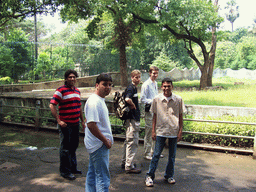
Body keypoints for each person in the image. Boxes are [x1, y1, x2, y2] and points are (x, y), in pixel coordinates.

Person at [145, 77, 184, 187]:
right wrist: (153, 131)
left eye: (169, 86)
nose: (166, 88)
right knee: (156, 154)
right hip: (160, 130)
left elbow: (181, 116)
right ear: (161, 87)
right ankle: (149, 176)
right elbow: (155, 116)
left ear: (172, 87)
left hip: (173, 131)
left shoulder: (178, 99)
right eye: (165, 86)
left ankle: (169, 175)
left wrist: (180, 131)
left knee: (172, 156)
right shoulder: (157, 99)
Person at [49, 69, 86, 180]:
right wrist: (59, 120)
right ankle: (65, 171)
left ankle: (73, 168)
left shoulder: (77, 91)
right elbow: (52, 105)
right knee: (65, 148)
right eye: (70, 77)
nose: (72, 79)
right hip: (65, 125)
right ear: (66, 79)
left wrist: (82, 121)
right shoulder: (60, 90)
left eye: (74, 77)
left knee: (73, 146)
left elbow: (79, 107)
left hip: (75, 124)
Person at [84, 73, 114, 191]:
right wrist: (105, 141)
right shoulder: (94, 101)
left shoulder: (99, 100)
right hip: (99, 145)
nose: (107, 87)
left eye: (110, 85)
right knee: (102, 178)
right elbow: (91, 125)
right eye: (104, 84)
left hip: (96, 144)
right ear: (97, 85)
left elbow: (89, 122)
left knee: (92, 175)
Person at [121, 69, 142, 174]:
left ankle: (125, 161)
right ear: (132, 77)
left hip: (132, 118)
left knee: (128, 141)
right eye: (136, 77)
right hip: (132, 118)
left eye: (139, 77)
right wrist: (133, 106)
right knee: (132, 141)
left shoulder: (133, 88)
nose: (138, 79)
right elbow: (127, 99)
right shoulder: (131, 88)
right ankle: (129, 166)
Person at [141, 66, 160, 160]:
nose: (155, 75)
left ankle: (154, 151)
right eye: (153, 73)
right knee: (149, 132)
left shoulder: (155, 83)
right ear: (150, 73)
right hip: (149, 111)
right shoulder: (146, 84)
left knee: (156, 131)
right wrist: (154, 100)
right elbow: (143, 99)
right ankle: (147, 152)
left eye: (156, 73)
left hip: (156, 110)